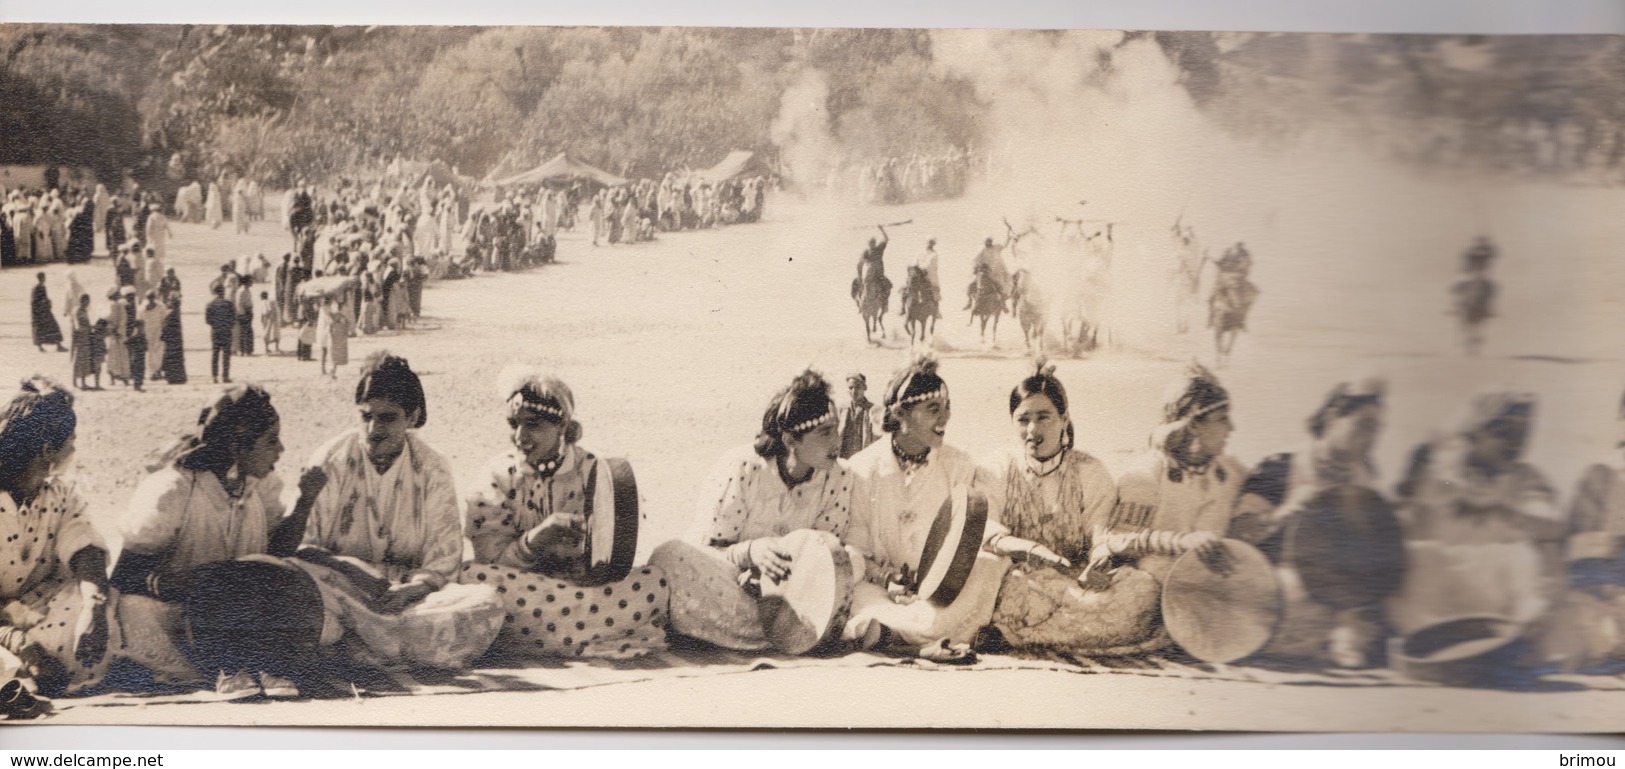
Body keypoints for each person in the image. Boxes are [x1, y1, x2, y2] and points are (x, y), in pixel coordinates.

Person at [842, 357, 1061, 662]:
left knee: (987, 564)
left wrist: (1021, 546)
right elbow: (856, 545)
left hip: (942, 591)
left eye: (947, 407)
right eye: (934, 409)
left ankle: (895, 638)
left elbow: (975, 527)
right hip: (878, 587)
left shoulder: (958, 465)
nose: (945, 417)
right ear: (900, 413)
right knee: (856, 593)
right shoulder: (862, 469)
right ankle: (918, 639)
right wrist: (888, 580)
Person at [109, 384, 319, 698]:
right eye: (271, 441)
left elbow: (276, 555)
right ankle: (232, 665)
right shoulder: (174, 490)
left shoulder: (260, 484)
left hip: (245, 611)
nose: (281, 451)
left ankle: (245, 665)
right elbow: (124, 578)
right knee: (132, 612)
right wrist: (180, 583)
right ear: (238, 445)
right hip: (182, 617)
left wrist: (305, 502)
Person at [461, 369, 668, 659]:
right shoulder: (497, 474)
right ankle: (596, 634)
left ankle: (553, 637)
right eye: (514, 424)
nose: (520, 437)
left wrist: (589, 553)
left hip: (585, 592)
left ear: (563, 427)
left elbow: (617, 549)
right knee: (472, 578)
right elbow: (489, 560)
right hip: (525, 590)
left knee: (656, 579)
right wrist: (533, 541)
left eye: (532, 425)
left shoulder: (594, 470)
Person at [979, 362, 1176, 656]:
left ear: (1064, 418)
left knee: (1143, 592)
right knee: (1004, 586)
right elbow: (987, 530)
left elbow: (1101, 536)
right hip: (1017, 581)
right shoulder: (996, 467)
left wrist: (1100, 563)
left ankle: (1013, 634)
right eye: (1023, 419)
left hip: (1075, 584)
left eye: (1043, 417)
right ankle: (1048, 631)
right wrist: (1030, 549)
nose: (1033, 429)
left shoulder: (1089, 471)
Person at [651, 371, 853, 653]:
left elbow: (825, 558)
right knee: (671, 555)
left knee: (850, 564)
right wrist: (750, 553)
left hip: (792, 595)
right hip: (731, 580)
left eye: (837, 430)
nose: (837, 442)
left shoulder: (840, 477)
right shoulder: (743, 468)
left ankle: (762, 631)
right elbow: (706, 547)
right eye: (825, 433)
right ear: (791, 440)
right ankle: (781, 633)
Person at [1388, 392, 1566, 678]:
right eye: (1504, 432)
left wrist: (1503, 508)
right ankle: (1427, 645)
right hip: (1433, 602)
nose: (1516, 443)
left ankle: (1517, 641)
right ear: (1478, 431)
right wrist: (1451, 479)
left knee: (1529, 554)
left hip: (1499, 607)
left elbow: (1552, 526)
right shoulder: (1437, 470)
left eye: (1524, 433)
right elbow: (1399, 515)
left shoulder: (1526, 478)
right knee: (1415, 554)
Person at [1229, 378, 1396, 668]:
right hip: (1283, 589)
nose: (1371, 438)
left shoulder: (1366, 476)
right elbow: (1236, 537)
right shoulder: (1281, 467)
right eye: (1363, 425)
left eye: (1377, 429)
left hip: (1346, 599)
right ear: (1333, 417)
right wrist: (1281, 515)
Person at [302, 353, 462, 617]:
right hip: (338, 586)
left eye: (388, 418)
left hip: (410, 593)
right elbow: (304, 547)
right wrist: (350, 571)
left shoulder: (433, 468)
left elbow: (443, 560)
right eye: (366, 416)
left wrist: (411, 590)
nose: (374, 430)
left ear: (412, 417)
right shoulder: (331, 460)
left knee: (480, 601)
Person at [0, 380, 113, 698]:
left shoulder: (59, 493)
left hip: (37, 607)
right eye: (71, 442)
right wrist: (15, 640)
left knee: (113, 610)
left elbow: (84, 548)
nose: (74, 451)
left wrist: (94, 607)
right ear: (49, 449)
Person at [1112, 365, 1248, 582]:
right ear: (1194, 426)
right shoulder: (1148, 473)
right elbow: (1117, 539)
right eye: (1222, 419)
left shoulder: (1229, 473)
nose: (1231, 428)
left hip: (1210, 592)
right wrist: (1180, 542)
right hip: (1154, 592)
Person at [840, 373, 877, 460]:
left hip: (864, 459)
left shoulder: (872, 410)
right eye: (850, 388)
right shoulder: (842, 409)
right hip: (844, 460)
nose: (854, 391)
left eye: (858, 387)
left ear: (865, 388)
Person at [205, 285, 236, 384]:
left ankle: (214, 376)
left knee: (215, 354)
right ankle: (225, 376)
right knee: (226, 355)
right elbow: (233, 318)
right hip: (226, 331)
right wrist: (228, 325)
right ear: (223, 291)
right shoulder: (229, 304)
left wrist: (215, 324)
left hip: (215, 331)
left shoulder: (210, 304)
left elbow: (207, 320)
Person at [69, 295, 101, 391]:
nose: (88, 304)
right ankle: (81, 383)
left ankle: (77, 382)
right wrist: (91, 328)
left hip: (83, 337)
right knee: (81, 359)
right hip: (80, 338)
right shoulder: (78, 311)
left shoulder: (81, 310)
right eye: (87, 301)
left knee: (80, 359)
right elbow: (78, 326)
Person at [30, 273, 65, 353]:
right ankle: (58, 346)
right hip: (43, 311)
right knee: (53, 326)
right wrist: (47, 304)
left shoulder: (35, 287)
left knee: (41, 328)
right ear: (42, 278)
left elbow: (34, 302)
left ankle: (41, 347)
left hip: (39, 312)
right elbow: (39, 300)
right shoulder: (40, 287)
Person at [158, 295, 187, 385]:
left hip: (171, 340)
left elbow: (165, 327)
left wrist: (163, 336)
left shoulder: (170, 313)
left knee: (171, 358)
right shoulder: (176, 312)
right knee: (177, 358)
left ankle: (172, 376)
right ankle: (178, 376)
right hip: (176, 339)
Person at [259, 291, 282, 355]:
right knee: (275, 333)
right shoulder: (270, 301)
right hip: (271, 318)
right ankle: (276, 347)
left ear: (261, 297)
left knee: (266, 333)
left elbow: (266, 311)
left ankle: (267, 348)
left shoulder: (264, 302)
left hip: (267, 318)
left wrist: (263, 319)